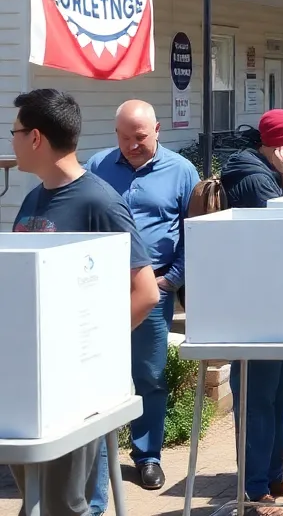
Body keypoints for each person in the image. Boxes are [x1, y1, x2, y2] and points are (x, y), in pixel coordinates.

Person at [9, 89, 159, 516]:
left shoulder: (99, 202)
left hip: (72, 390)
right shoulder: (33, 198)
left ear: (35, 137)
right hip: (29, 384)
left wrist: (87, 353)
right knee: (37, 500)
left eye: (15, 132)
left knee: (66, 505)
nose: (12, 141)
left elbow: (144, 292)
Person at [85, 100, 199, 503]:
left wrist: (172, 280)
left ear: (157, 131)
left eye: (140, 137)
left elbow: (193, 230)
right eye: (124, 137)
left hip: (152, 287)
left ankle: (147, 454)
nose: (132, 145)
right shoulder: (98, 166)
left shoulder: (181, 171)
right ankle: (96, 460)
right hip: (99, 285)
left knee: (148, 374)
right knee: (97, 372)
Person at [220, 109, 283, 511]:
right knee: (258, 401)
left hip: (278, 301)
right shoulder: (254, 177)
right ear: (280, 147)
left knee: (280, 396)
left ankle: (273, 474)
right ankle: (253, 487)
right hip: (256, 306)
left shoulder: (267, 171)